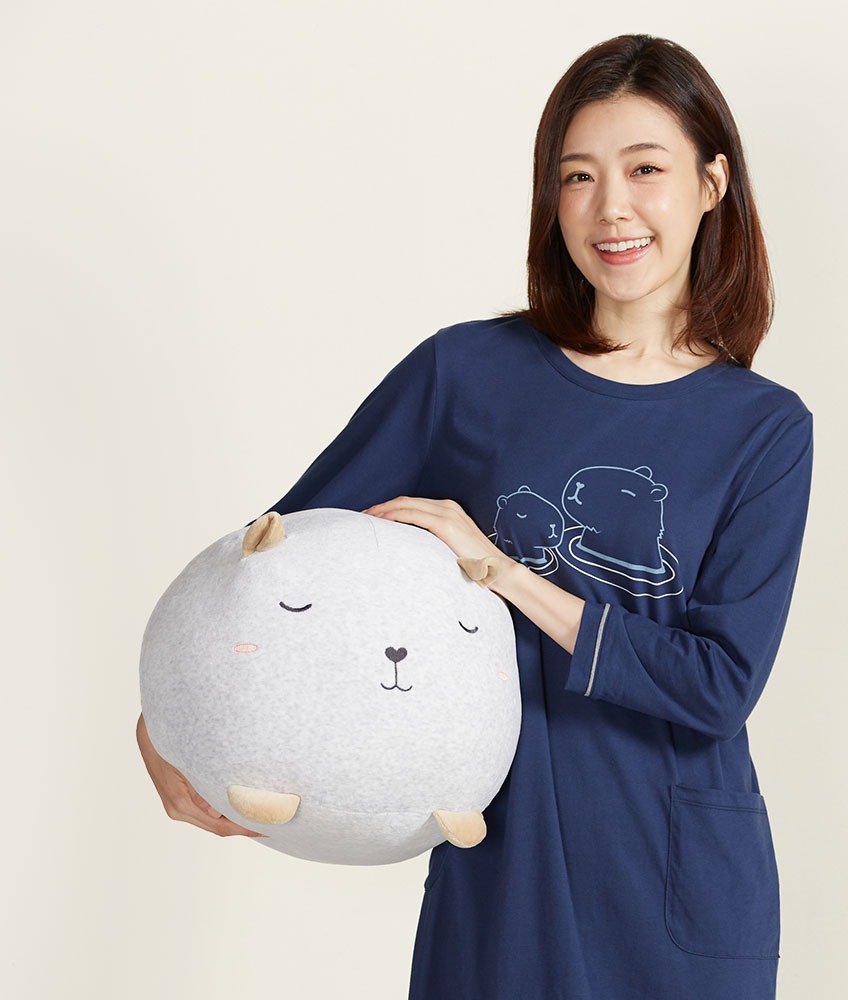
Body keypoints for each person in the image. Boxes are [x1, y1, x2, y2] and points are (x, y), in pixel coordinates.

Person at [137, 34, 812, 1000]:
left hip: (676, 876)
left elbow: (718, 686)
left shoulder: (763, 428)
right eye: (577, 176)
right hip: (505, 866)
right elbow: (269, 562)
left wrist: (501, 572)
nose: (611, 208)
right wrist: (164, 727)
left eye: (645, 169)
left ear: (712, 183)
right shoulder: (467, 374)